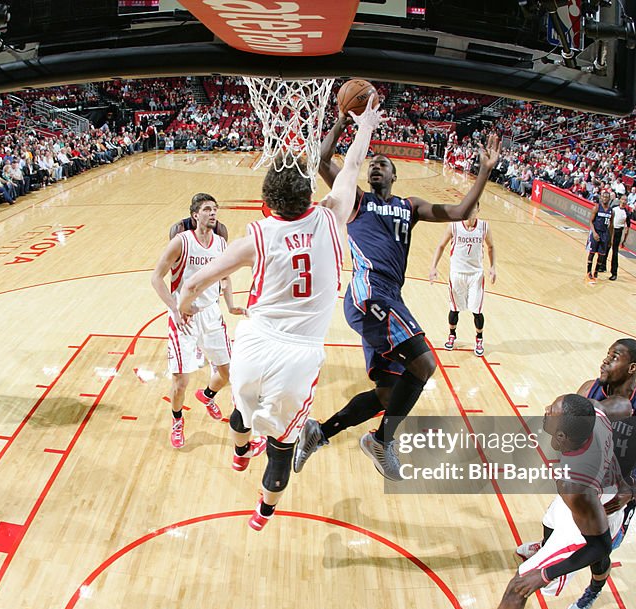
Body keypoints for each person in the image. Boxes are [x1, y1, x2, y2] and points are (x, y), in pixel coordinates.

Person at [176, 97, 382, 531]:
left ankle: (237, 454)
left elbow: (196, 282)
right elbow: (350, 170)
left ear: (266, 199)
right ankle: (263, 513)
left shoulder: (257, 235)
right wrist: (363, 127)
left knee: (241, 407)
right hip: (298, 355)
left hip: (254, 341)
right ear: (310, 194)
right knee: (283, 446)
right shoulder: (332, 218)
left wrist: (184, 305)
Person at [291, 115, 500, 481]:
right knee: (425, 365)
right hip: (369, 291)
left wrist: (484, 172)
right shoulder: (356, 200)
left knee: (389, 395)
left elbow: (460, 212)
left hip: (388, 298)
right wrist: (342, 119)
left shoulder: (410, 205)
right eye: (372, 163)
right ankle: (382, 442)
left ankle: (319, 432)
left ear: (394, 176)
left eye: (383, 164)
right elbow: (324, 160)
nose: (375, 166)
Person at [436, 394, 625, 609]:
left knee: (519, 585)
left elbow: (600, 545)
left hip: (594, 519)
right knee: (549, 519)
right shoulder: (596, 416)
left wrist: (545, 574)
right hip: (601, 493)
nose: (546, 410)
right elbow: (621, 405)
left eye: (551, 412)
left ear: (561, 437)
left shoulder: (575, 485)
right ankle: (547, 551)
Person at [516, 339, 636, 609]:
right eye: (606, 355)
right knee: (550, 521)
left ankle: (594, 587)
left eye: (614, 357)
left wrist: (634, 492)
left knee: (598, 551)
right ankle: (548, 549)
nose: (605, 361)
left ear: (632, 367)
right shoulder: (587, 389)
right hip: (584, 475)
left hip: (618, 487)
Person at [150, 194, 242, 448]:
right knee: (180, 382)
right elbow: (156, 278)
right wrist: (175, 308)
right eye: (207, 209)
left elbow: (225, 278)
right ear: (195, 215)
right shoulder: (181, 242)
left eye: (215, 209)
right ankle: (177, 421)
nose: (213, 213)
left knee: (227, 373)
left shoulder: (221, 244)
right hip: (184, 318)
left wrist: (231, 305)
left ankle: (208, 395)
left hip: (212, 315)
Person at [427, 201, 496, 356]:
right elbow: (441, 246)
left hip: (476, 274)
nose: (471, 210)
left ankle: (479, 339)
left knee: (477, 310)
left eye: (474, 207)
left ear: (478, 209)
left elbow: (491, 247)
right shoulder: (454, 226)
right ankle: (452, 335)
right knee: (454, 308)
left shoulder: (484, 227)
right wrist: (433, 267)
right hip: (457, 273)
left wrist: (492, 267)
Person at [587, 190, 612, 283]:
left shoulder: (611, 211)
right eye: (603, 197)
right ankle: (588, 272)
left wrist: (610, 238)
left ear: (609, 199)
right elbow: (590, 221)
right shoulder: (596, 207)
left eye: (607, 197)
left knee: (601, 255)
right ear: (601, 198)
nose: (605, 198)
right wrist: (594, 233)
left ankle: (596, 272)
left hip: (605, 233)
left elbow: (611, 225)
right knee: (592, 253)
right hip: (596, 231)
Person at [606, 196, 630, 281]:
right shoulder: (614, 208)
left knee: (615, 252)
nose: (624, 201)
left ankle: (614, 273)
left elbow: (627, 228)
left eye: (625, 200)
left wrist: (624, 240)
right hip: (610, 230)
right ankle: (602, 266)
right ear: (620, 200)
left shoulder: (627, 213)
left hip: (618, 232)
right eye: (623, 199)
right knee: (605, 248)